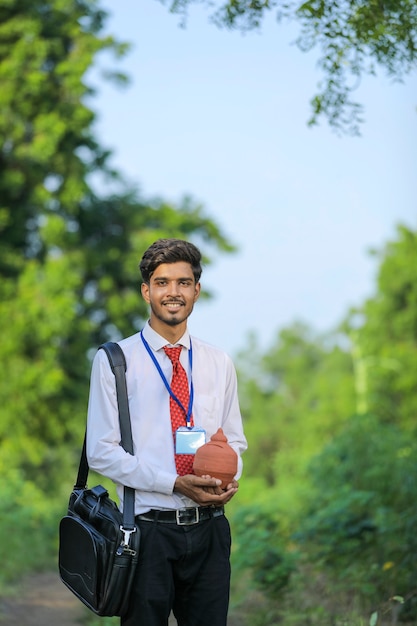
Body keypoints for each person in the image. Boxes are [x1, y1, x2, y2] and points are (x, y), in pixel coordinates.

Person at [86, 238, 247, 626]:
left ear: (196, 290)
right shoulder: (115, 361)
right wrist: (175, 483)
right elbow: (102, 452)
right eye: (162, 283)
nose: (173, 292)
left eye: (183, 282)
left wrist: (229, 476)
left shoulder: (218, 362)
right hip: (146, 534)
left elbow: (235, 439)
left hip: (210, 530)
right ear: (147, 291)